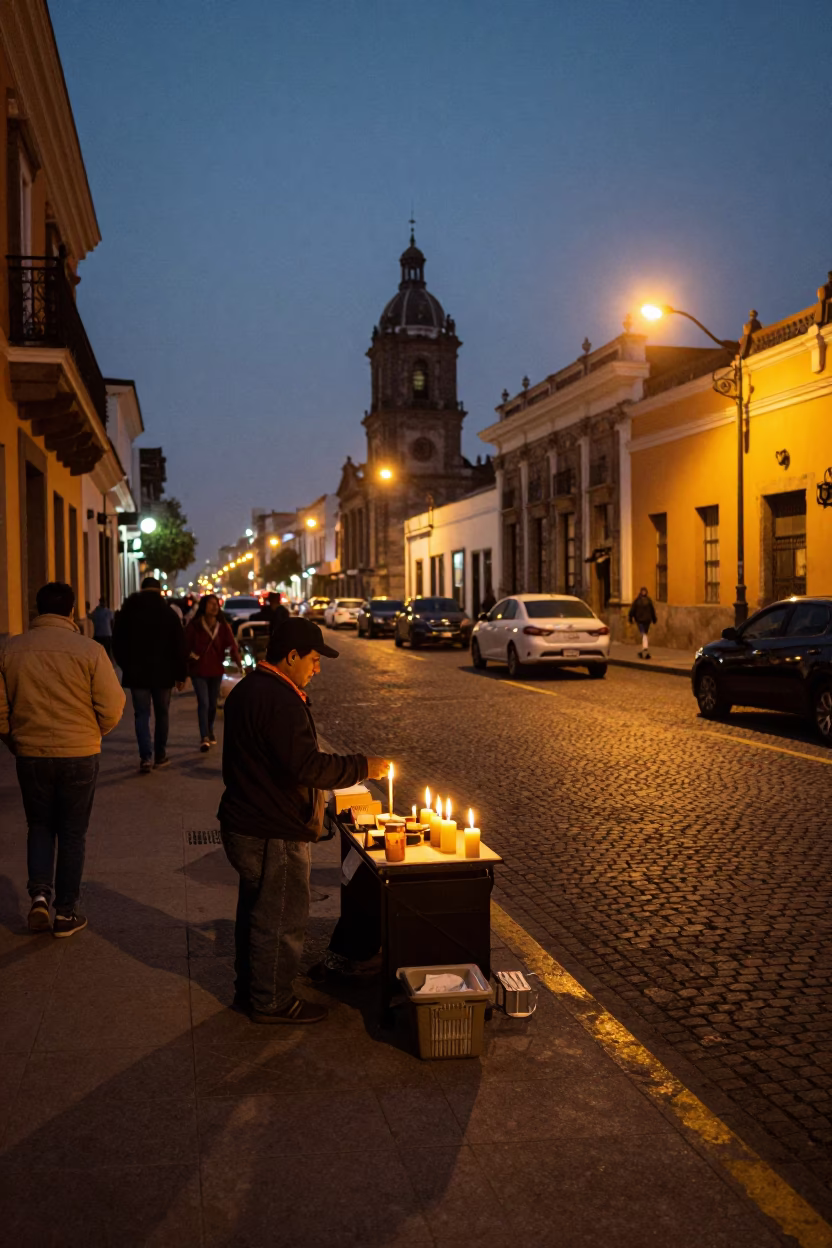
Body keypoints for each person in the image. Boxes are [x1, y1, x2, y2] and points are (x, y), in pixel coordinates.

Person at [218, 617, 390, 1025]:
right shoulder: (279, 699)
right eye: (313, 659)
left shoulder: (250, 688)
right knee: (281, 918)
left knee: (256, 913)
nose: (317, 668)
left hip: (248, 819)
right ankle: (272, 1001)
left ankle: (252, 988)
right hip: (271, 828)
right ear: (291, 656)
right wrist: (362, 766)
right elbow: (306, 765)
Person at [0, 582, 125, 937]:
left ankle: (39, 896)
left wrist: (14, 738)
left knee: (39, 825)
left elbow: (0, 708)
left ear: (36, 610)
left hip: (31, 754)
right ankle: (66, 913)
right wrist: (93, 733)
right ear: (71, 611)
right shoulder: (90, 650)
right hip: (80, 753)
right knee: (72, 833)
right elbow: (113, 705)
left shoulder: (11, 649)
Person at [112, 576, 188, 773]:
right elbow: (179, 645)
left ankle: (145, 757)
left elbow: (117, 642)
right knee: (162, 714)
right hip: (164, 674)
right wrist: (181, 674)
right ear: (159, 590)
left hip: (137, 674)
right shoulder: (168, 614)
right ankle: (160, 755)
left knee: (142, 714)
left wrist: (126, 665)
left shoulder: (129, 612)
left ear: (142, 589)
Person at [184, 594, 241, 751]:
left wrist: (239, 664)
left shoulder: (222, 627)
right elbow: (185, 647)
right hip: (198, 670)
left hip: (216, 670)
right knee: (204, 702)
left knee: (212, 704)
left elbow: (232, 646)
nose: (214, 607)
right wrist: (183, 671)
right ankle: (204, 736)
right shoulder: (194, 626)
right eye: (210, 603)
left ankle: (209, 729)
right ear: (203, 606)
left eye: (216, 604)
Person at [628, 586, 658, 659]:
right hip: (640, 620)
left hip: (646, 620)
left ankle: (644, 649)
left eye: (645, 591)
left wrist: (654, 619)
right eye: (643, 591)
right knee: (644, 634)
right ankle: (644, 650)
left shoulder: (648, 600)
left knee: (644, 634)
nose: (644, 592)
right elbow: (633, 609)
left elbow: (652, 610)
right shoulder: (637, 601)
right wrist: (630, 617)